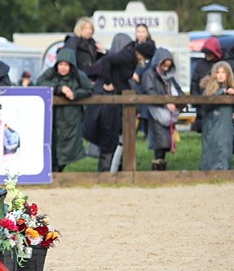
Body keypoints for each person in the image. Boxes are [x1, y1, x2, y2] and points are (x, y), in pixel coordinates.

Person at [82, 33, 138, 172]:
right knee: (108, 140)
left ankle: (111, 170)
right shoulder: (108, 62)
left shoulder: (113, 61)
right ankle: (106, 171)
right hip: (107, 107)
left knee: (115, 140)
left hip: (115, 107)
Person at [36, 47, 92, 172]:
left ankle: (58, 172)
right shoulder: (51, 73)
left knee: (68, 149)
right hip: (53, 118)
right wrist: (60, 88)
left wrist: (75, 94)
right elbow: (40, 82)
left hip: (71, 120)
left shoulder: (79, 76)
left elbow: (88, 90)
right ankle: (52, 172)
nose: (63, 67)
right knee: (52, 146)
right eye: (61, 64)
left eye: (66, 65)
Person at [141, 47, 183, 171]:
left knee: (165, 144)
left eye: (168, 66)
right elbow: (149, 93)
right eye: (164, 65)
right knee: (160, 143)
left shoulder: (168, 77)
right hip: (156, 113)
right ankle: (157, 169)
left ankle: (161, 166)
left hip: (168, 113)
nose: (166, 68)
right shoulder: (149, 75)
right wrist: (165, 102)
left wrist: (180, 101)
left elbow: (178, 90)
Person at [198, 61, 234, 171]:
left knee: (225, 149)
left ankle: (224, 171)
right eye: (217, 72)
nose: (220, 75)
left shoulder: (231, 89)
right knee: (211, 150)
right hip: (211, 125)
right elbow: (205, 105)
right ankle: (207, 173)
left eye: (223, 72)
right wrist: (222, 93)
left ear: (228, 74)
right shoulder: (209, 88)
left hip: (226, 126)